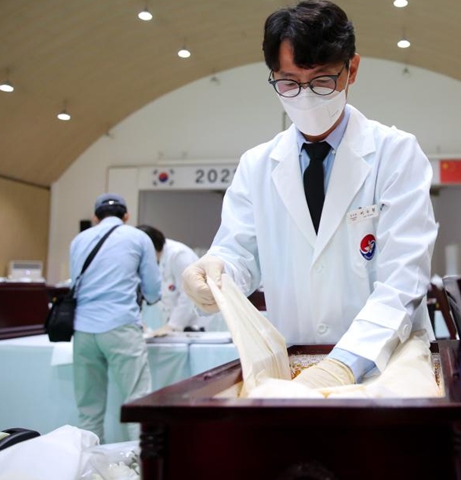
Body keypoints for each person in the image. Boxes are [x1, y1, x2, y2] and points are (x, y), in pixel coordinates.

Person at [182, 0, 438, 389]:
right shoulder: (257, 165)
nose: (305, 96)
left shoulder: (395, 153)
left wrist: (345, 363)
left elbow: (404, 279)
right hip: (295, 361)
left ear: (351, 69)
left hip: (384, 364)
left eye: (322, 80)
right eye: (288, 82)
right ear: (272, 75)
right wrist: (215, 272)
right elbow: (239, 255)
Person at [69, 193, 160, 442]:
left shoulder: (79, 240)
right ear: (126, 216)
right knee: (137, 401)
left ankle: (89, 467)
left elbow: (73, 283)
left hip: (83, 330)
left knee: (88, 409)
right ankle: (140, 468)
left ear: (95, 217)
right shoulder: (139, 238)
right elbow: (152, 287)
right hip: (121, 326)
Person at [137, 225, 204, 335]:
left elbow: (188, 294)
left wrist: (172, 326)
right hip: (180, 323)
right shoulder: (154, 261)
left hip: (199, 321)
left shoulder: (178, 254)